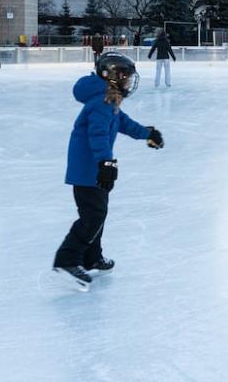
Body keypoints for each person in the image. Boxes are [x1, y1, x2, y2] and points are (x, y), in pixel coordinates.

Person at [53, 52, 164, 290]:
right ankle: (67, 260)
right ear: (113, 77)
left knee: (97, 215)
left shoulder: (108, 100)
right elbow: (98, 135)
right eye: (126, 77)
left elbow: (123, 123)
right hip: (87, 170)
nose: (128, 82)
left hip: (92, 170)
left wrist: (148, 133)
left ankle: (92, 258)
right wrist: (106, 163)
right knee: (92, 216)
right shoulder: (101, 103)